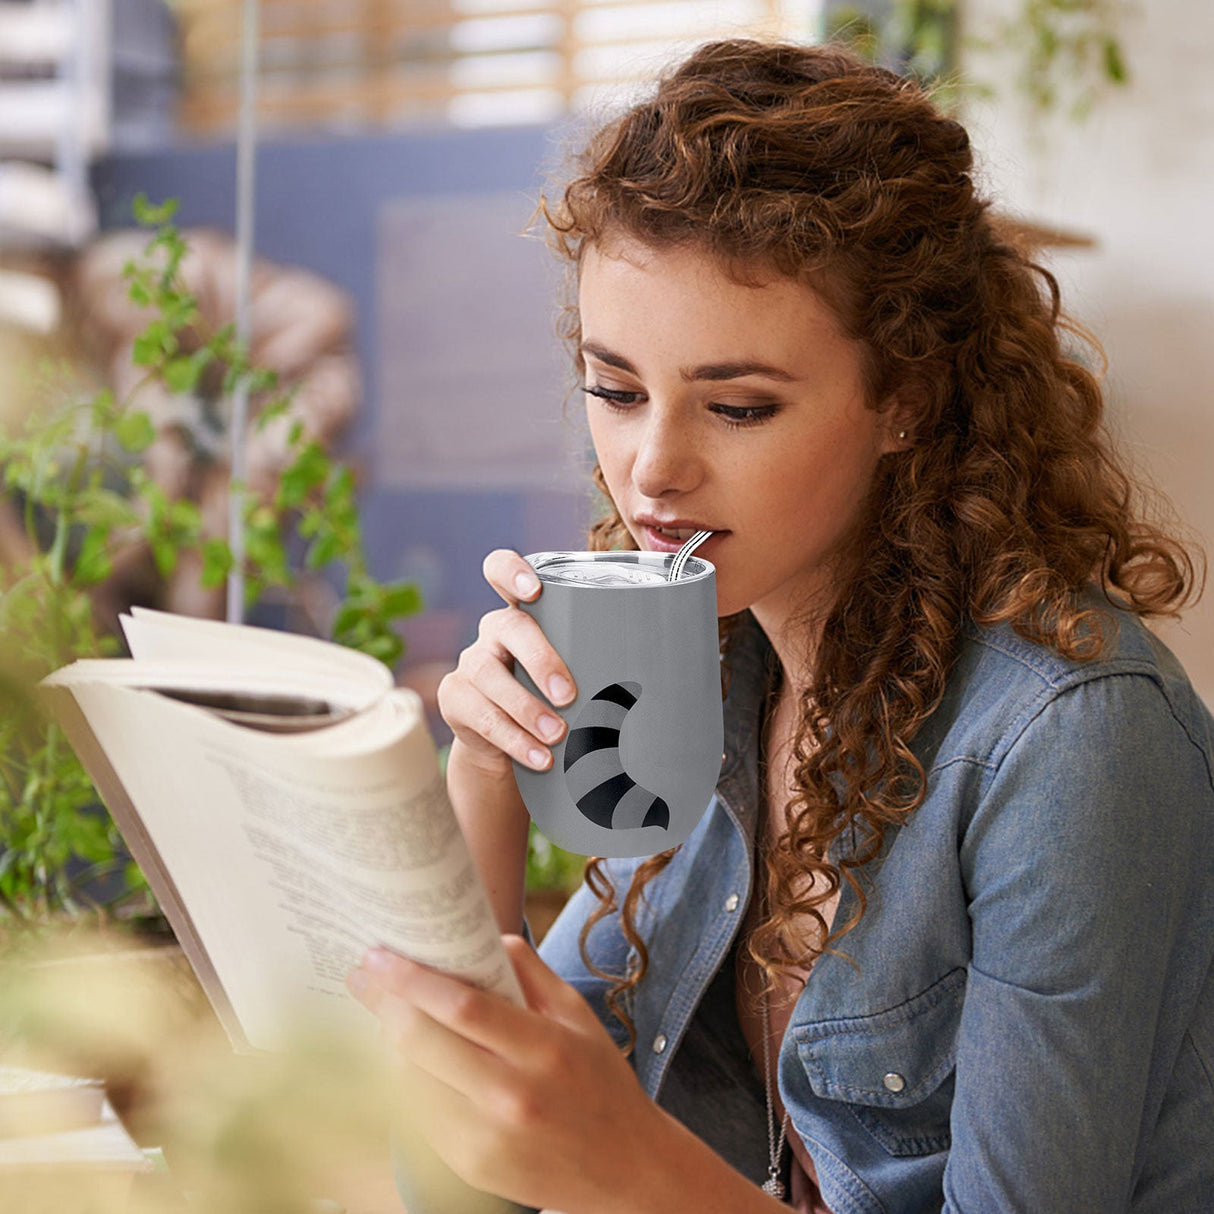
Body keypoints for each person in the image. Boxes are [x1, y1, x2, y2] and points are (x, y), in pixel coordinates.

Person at [347, 39, 1214, 1214]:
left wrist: (633, 1170)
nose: (650, 468)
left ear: (903, 395)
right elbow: (462, 1191)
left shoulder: (1069, 742)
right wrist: (486, 787)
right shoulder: (710, 676)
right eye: (613, 389)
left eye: (738, 404)